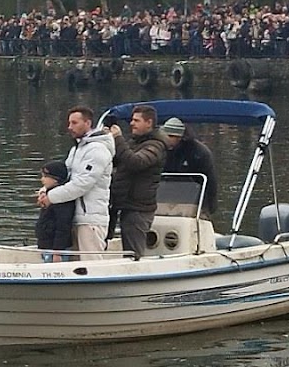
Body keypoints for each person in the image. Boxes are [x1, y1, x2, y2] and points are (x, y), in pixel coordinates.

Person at [39, 106, 113, 258]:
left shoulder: (97, 150)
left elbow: (82, 184)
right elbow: (63, 177)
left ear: (87, 123)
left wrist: (51, 198)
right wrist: (44, 191)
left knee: (91, 263)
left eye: (74, 123)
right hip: (75, 215)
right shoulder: (76, 149)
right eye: (69, 123)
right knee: (75, 263)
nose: (69, 127)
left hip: (90, 218)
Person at [109, 104, 168, 259]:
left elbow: (135, 163)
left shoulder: (156, 145)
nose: (132, 123)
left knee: (133, 253)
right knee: (126, 247)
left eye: (136, 120)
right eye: (131, 120)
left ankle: (134, 275)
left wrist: (118, 139)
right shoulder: (134, 143)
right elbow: (118, 160)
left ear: (149, 123)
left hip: (139, 208)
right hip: (125, 204)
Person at [160, 116, 217, 213]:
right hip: (162, 200)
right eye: (164, 135)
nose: (166, 139)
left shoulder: (199, 153)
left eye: (171, 136)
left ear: (180, 137)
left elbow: (210, 183)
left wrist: (208, 208)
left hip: (191, 201)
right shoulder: (159, 149)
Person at [35, 161, 76, 261]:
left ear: (55, 179)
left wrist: (57, 252)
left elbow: (63, 226)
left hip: (54, 248)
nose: (42, 179)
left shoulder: (62, 200)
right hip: (46, 245)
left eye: (45, 177)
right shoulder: (48, 194)